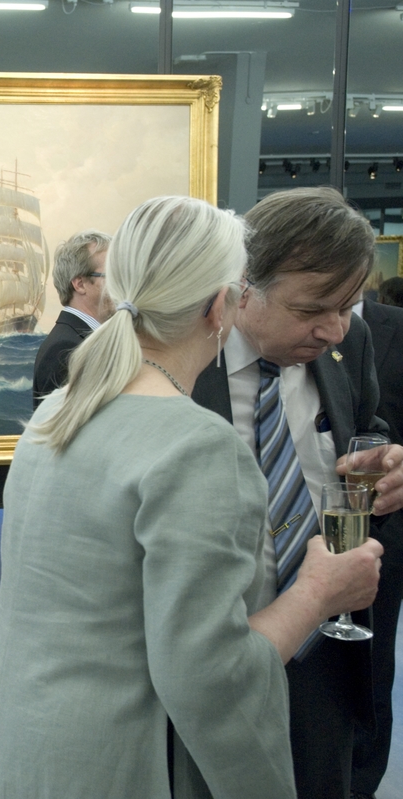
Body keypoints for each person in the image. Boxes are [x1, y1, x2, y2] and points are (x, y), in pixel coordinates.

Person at [0, 196, 382, 799]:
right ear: (222, 304)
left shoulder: (60, 409)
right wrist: (318, 592)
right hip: (124, 757)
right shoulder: (195, 443)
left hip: (26, 742)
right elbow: (212, 676)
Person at [191, 186, 403, 798]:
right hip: (214, 646)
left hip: (326, 646)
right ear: (242, 286)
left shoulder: (348, 345)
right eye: (312, 309)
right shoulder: (180, 364)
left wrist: (388, 466)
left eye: (348, 307)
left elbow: (366, 431)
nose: (333, 329)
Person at [351, 293, 403, 798]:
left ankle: (363, 782)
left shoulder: (393, 327)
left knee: (373, 665)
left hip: (388, 532)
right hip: (318, 529)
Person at [32, 229, 111, 407]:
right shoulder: (64, 350)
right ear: (80, 284)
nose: (121, 283)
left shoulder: (79, 340)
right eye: (112, 274)